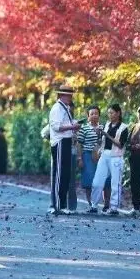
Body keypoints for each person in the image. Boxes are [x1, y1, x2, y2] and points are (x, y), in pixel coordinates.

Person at [47, 85, 81, 215]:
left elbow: (64, 124)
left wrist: (74, 125)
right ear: (61, 95)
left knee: (65, 174)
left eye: (71, 95)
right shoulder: (57, 108)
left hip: (66, 141)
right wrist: (72, 126)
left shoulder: (64, 108)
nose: (70, 97)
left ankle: (62, 204)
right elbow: (56, 126)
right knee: (60, 174)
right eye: (68, 95)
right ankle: (56, 205)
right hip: (60, 142)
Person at [90, 103, 128, 215]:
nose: (110, 115)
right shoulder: (107, 125)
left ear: (118, 113)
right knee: (97, 181)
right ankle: (94, 205)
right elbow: (101, 140)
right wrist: (99, 134)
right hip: (104, 155)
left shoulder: (123, 128)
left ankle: (114, 208)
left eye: (112, 113)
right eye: (109, 113)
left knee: (115, 183)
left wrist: (107, 135)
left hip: (116, 157)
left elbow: (120, 144)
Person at [75, 106, 102, 210]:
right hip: (87, 155)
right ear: (88, 116)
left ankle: (105, 205)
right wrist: (80, 159)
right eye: (92, 114)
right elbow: (79, 144)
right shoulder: (84, 128)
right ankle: (92, 205)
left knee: (102, 181)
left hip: (100, 156)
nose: (94, 115)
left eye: (96, 113)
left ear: (99, 115)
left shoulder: (103, 127)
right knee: (89, 180)